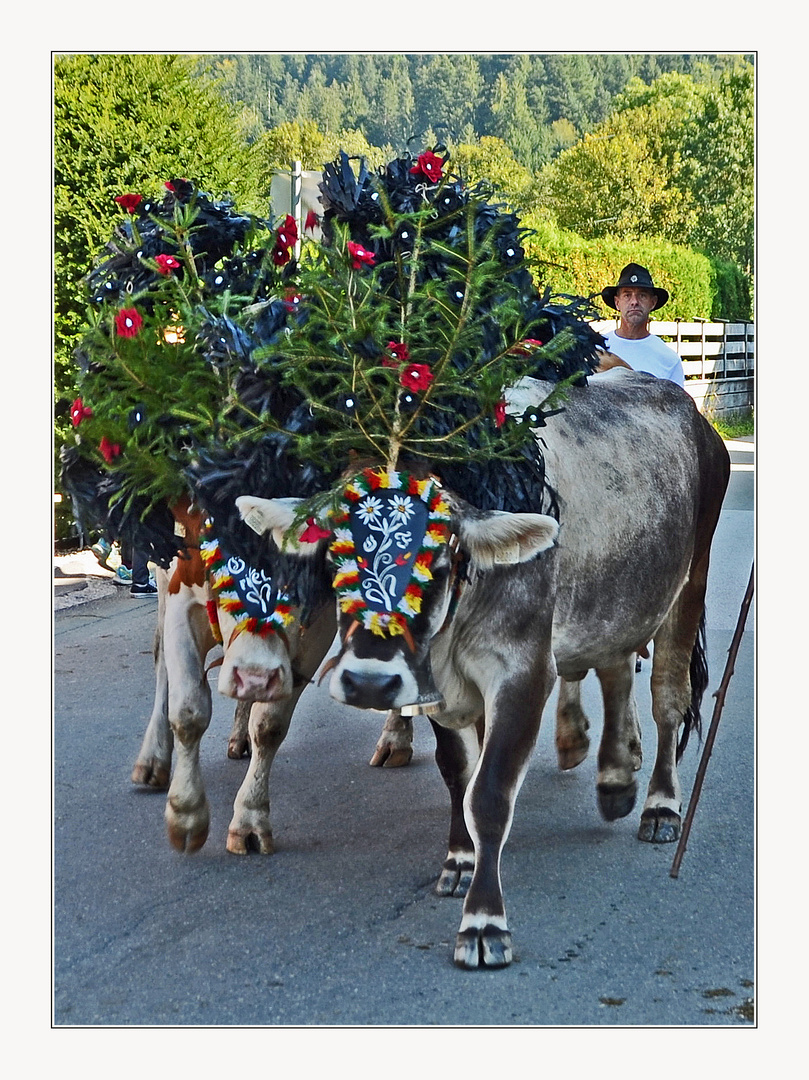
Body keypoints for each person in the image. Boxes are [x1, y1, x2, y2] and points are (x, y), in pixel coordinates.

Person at [597, 263, 685, 388]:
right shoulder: (598, 351)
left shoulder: (669, 360)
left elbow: (676, 406)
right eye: (627, 295)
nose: (634, 302)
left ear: (652, 302)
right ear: (617, 303)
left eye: (642, 295)